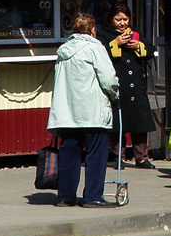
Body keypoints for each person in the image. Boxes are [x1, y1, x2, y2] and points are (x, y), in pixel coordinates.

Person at [47, 12, 118, 208]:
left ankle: (65, 196)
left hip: (67, 112)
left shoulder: (63, 51)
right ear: (92, 30)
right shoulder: (95, 48)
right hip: (92, 111)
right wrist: (114, 94)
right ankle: (93, 196)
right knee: (96, 154)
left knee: (69, 153)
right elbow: (109, 79)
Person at [104, 4, 156, 169]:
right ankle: (118, 156)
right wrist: (116, 43)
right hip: (118, 84)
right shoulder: (105, 35)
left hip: (136, 85)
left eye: (125, 19)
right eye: (118, 19)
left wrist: (138, 46)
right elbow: (101, 52)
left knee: (139, 120)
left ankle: (141, 157)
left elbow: (150, 50)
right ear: (111, 20)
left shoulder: (135, 33)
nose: (122, 23)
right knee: (118, 122)